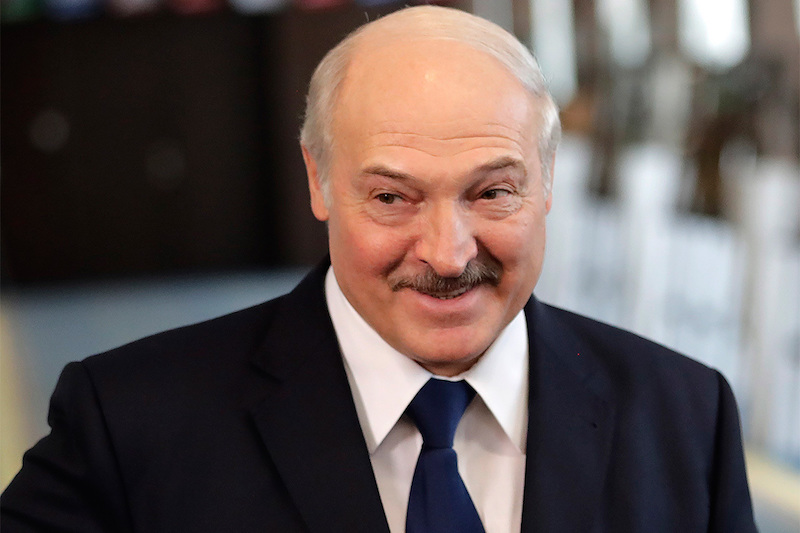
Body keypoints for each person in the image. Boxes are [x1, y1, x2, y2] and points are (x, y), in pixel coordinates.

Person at [1, 6, 757, 532]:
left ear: (549, 180)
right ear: (319, 181)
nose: (448, 254)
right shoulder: (131, 423)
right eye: (393, 197)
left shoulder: (688, 419)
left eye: (492, 192)